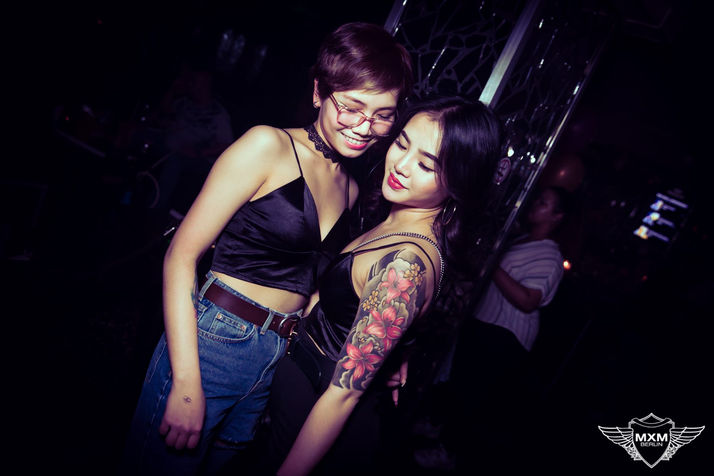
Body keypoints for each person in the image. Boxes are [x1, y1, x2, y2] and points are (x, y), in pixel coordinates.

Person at [120, 22, 413, 475]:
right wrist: (186, 379)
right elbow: (181, 256)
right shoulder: (267, 145)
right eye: (352, 107)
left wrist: (391, 348)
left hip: (275, 357)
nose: (364, 126)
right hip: (212, 342)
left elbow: (322, 289)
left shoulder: (352, 189)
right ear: (318, 92)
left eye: (382, 115)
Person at [264, 95, 503, 476]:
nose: (401, 166)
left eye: (426, 164)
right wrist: (399, 351)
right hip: (289, 407)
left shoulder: (405, 265)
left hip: (308, 432)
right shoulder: (401, 222)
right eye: (402, 144)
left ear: (459, 181)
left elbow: (343, 396)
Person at [421, 184, 571, 473]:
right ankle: (438, 432)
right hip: (486, 324)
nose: (535, 204)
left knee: (474, 397)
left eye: (544, 203)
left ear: (557, 217)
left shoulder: (550, 256)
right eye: (538, 199)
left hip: (506, 334)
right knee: (460, 385)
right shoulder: (524, 239)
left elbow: (528, 300)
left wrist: (493, 264)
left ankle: (448, 454)